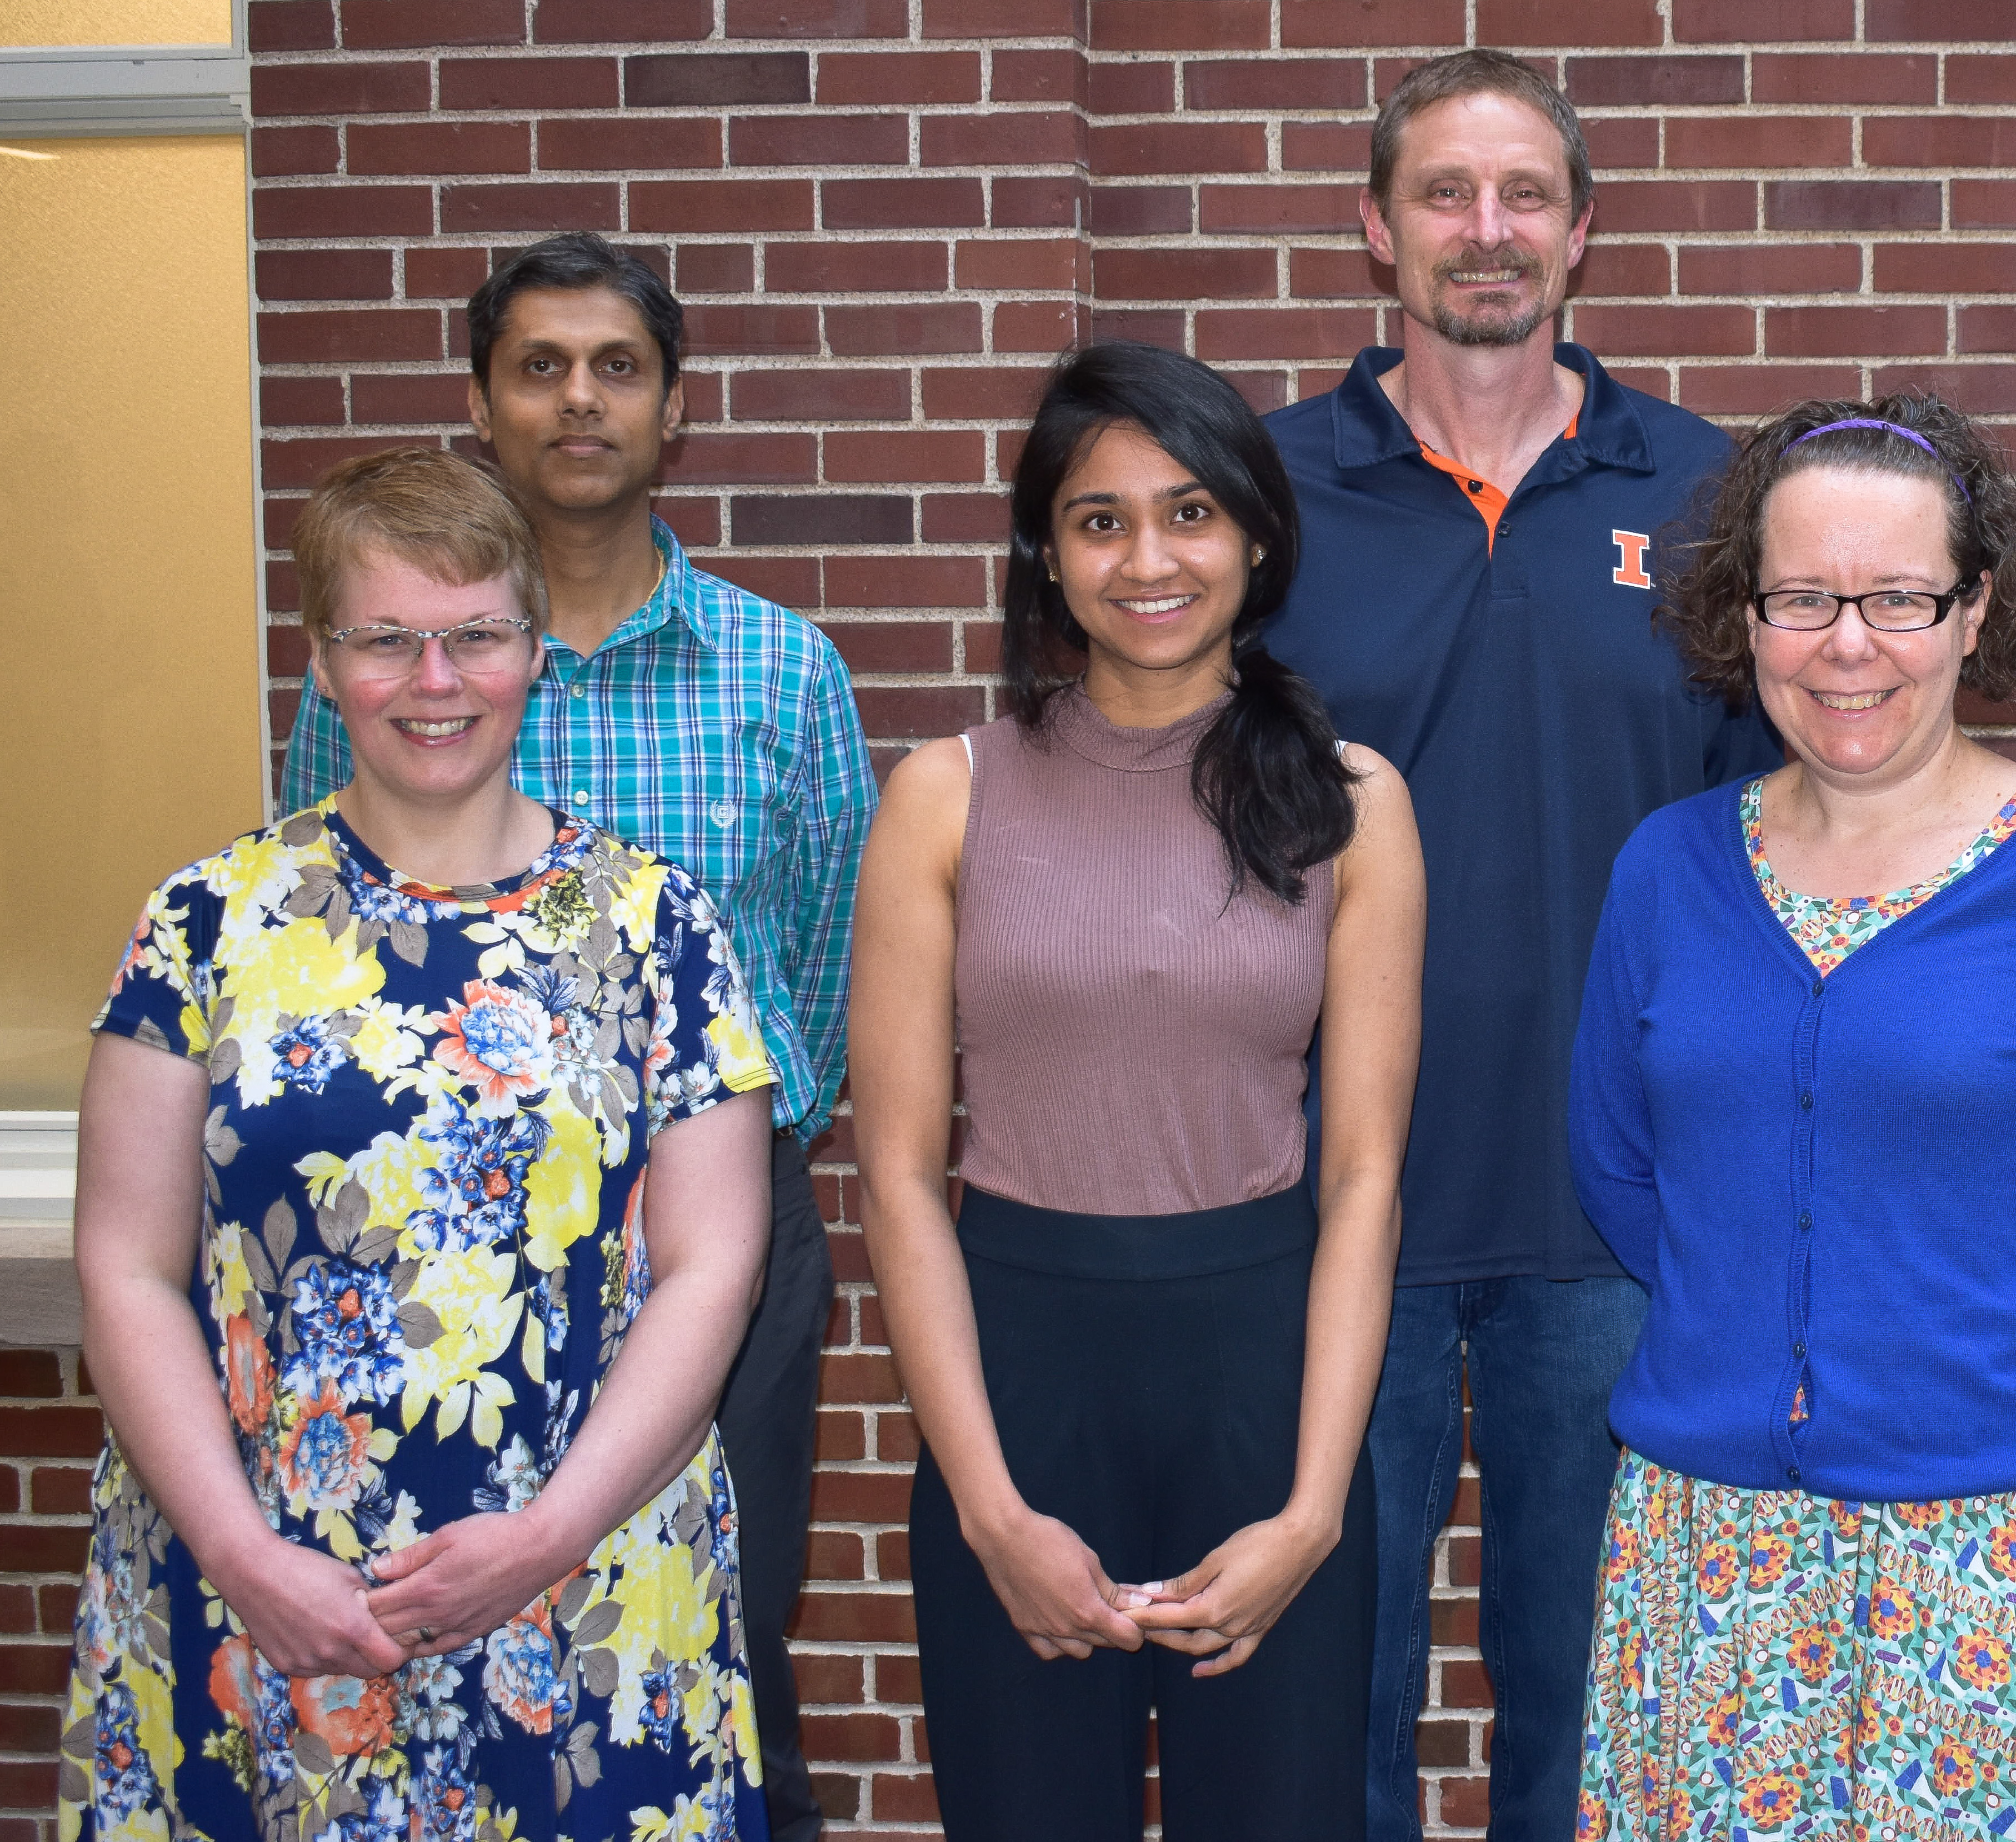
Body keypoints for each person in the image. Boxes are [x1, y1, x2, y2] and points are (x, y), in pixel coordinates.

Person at [1568, 396, 2016, 1840]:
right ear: (1745, 614)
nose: (1848, 643)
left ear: (1972, 611)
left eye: (1898, 596)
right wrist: (1749, 1323)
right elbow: (1617, 1166)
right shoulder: (1662, 871)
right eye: (1801, 597)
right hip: (1714, 1562)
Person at [61, 447, 774, 1841]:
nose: (432, 681)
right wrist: (240, 1552)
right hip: (260, 1587)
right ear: (320, 661)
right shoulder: (206, 921)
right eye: (383, 638)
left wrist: (547, 1537)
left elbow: (712, 1263)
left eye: (474, 636)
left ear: (532, 647)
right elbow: (128, 1266)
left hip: (586, 1587)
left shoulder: (653, 926)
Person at [281, 232, 874, 1842]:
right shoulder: (415, 663)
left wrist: (715, 1151)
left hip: (710, 1245)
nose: (579, 399)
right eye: (538, 367)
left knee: (719, 1639)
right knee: (423, 1629)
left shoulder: (780, 670)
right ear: (484, 404)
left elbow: (826, 961)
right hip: (423, 1247)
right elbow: (309, 931)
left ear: (672, 407)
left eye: (615, 366)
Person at [1258, 51, 1784, 1840]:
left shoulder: (1717, 494)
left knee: (1596, 1707)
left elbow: (1775, 846)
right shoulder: (1251, 501)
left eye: (1522, 197)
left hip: (1617, 1209)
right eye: (1442, 194)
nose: (1484, 233)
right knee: (1333, 1695)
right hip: (1331, 1200)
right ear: (1374, 227)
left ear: (1581, 233)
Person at [850, 341, 1426, 1839]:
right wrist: (985, 1505)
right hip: (1022, 1378)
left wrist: (1311, 1512)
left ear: (1252, 534)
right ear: (1046, 551)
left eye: (1187, 512)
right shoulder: (943, 793)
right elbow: (901, 1172)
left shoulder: (1355, 801)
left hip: (1260, 1371)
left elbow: (1363, 1174)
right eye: (1098, 520)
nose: (1147, 558)